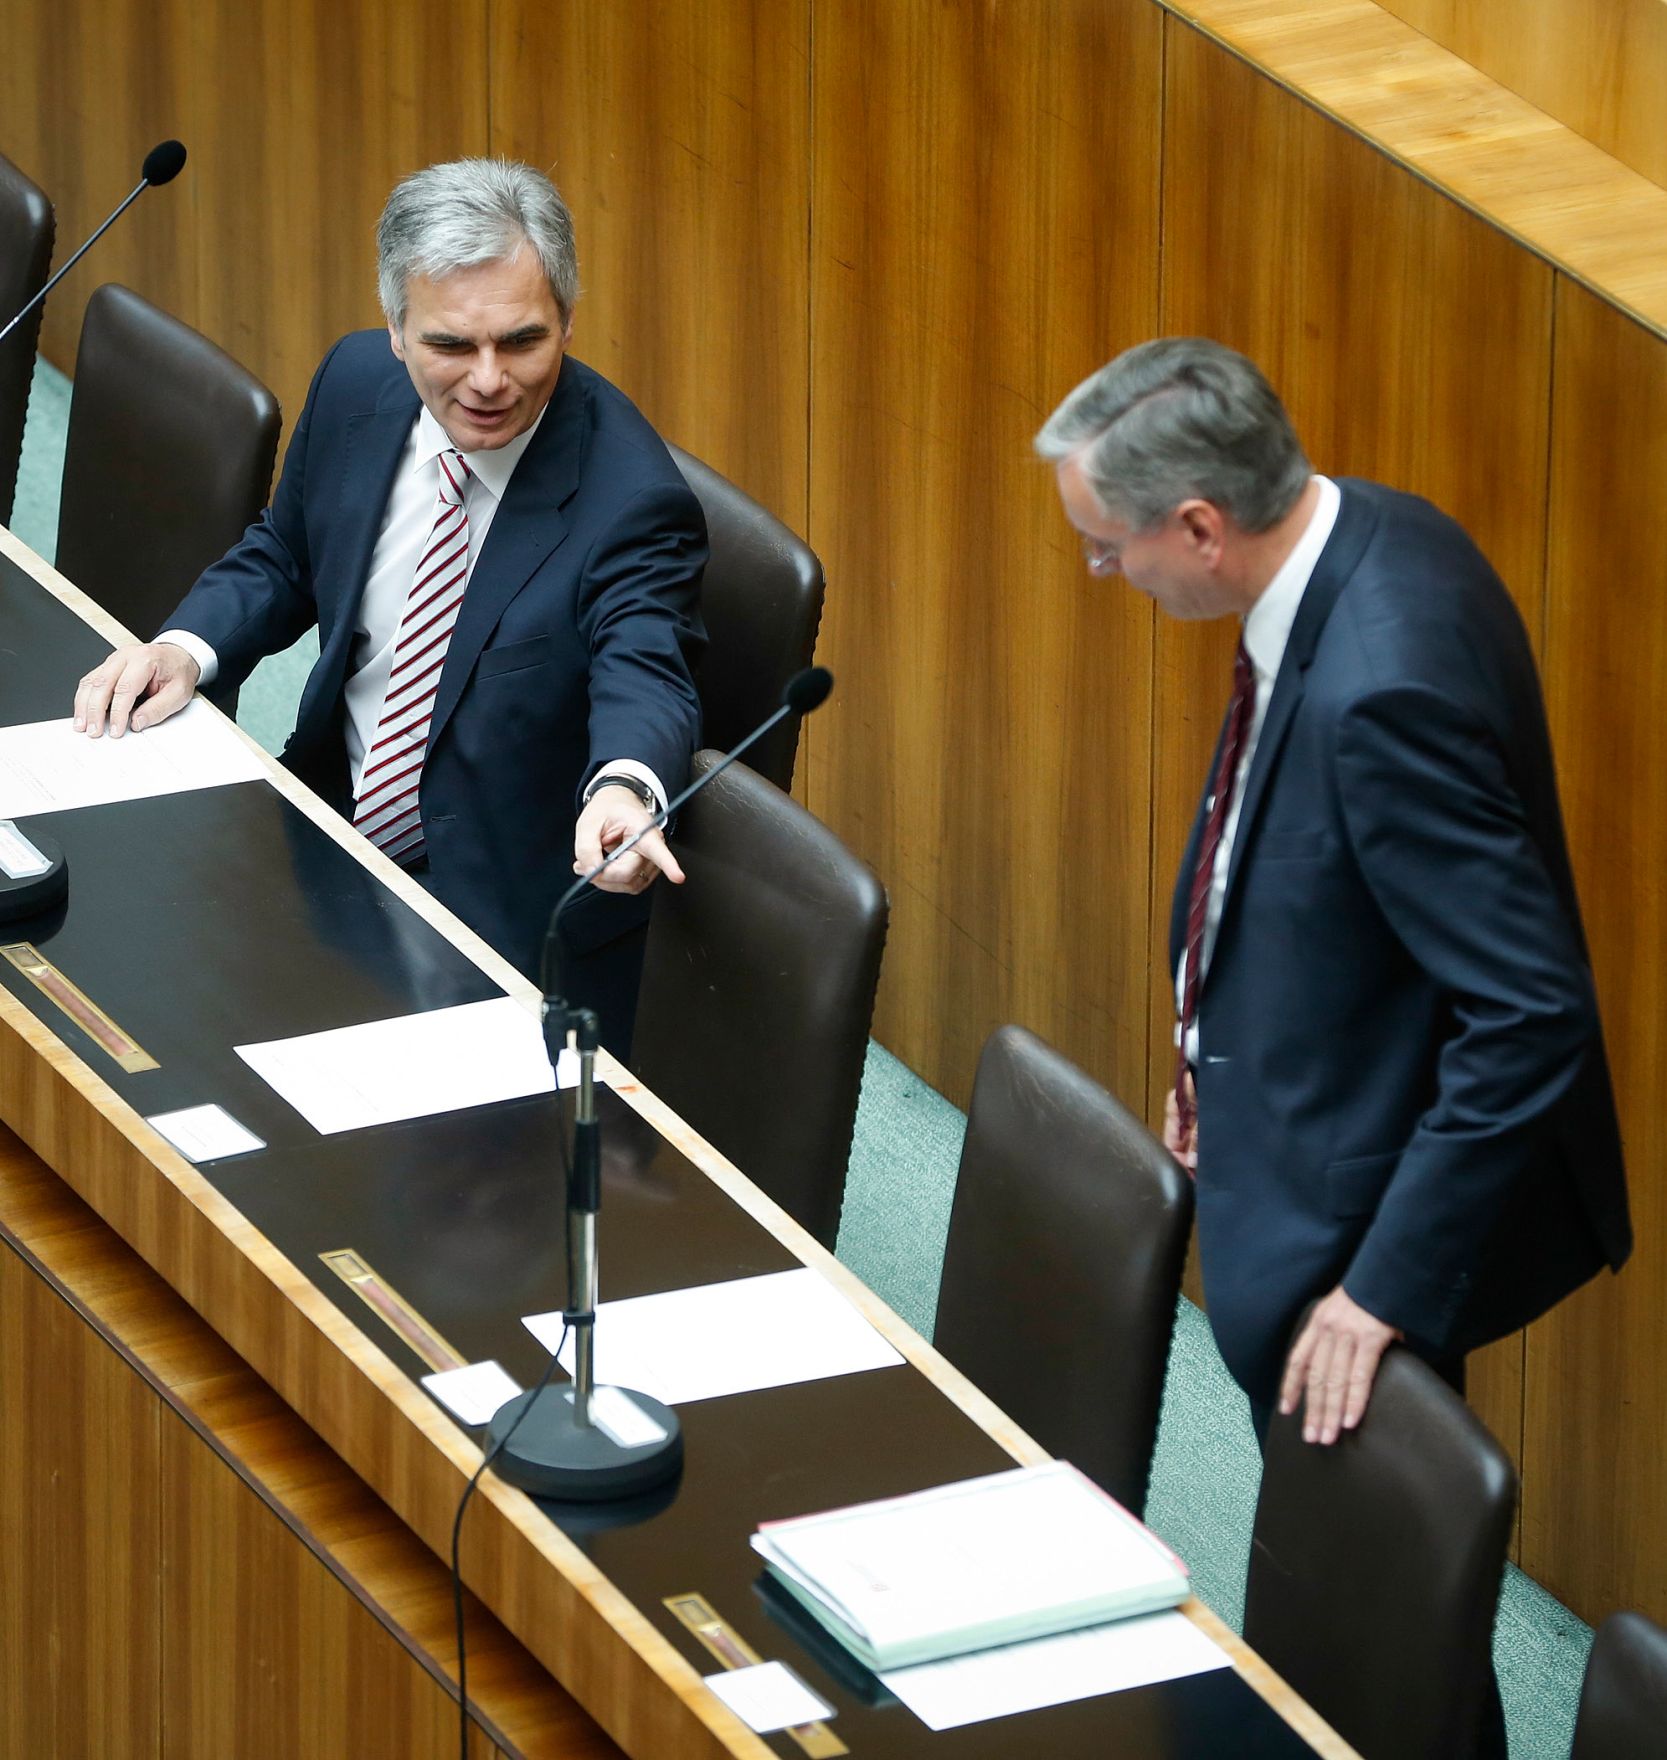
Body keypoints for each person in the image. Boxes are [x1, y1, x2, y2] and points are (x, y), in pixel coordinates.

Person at [1036, 339, 1630, 1448]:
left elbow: (1530, 1007)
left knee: (1347, 1584)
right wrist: (1203, 1046)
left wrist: (1383, 1289)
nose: (1100, 572)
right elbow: (1303, 866)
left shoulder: (1380, 693)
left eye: (1108, 548)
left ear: (1201, 527)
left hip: (1353, 1228)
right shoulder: (1364, 530)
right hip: (1300, 1104)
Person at [71, 158, 707, 1050]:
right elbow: (287, 552)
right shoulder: (355, 384)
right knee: (136, 989)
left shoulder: (630, 502)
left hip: (492, 914)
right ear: (397, 330)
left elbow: (645, 666)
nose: (488, 380)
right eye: (452, 345)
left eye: (522, 341)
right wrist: (185, 648)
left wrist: (624, 787)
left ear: (567, 320)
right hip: (324, 822)